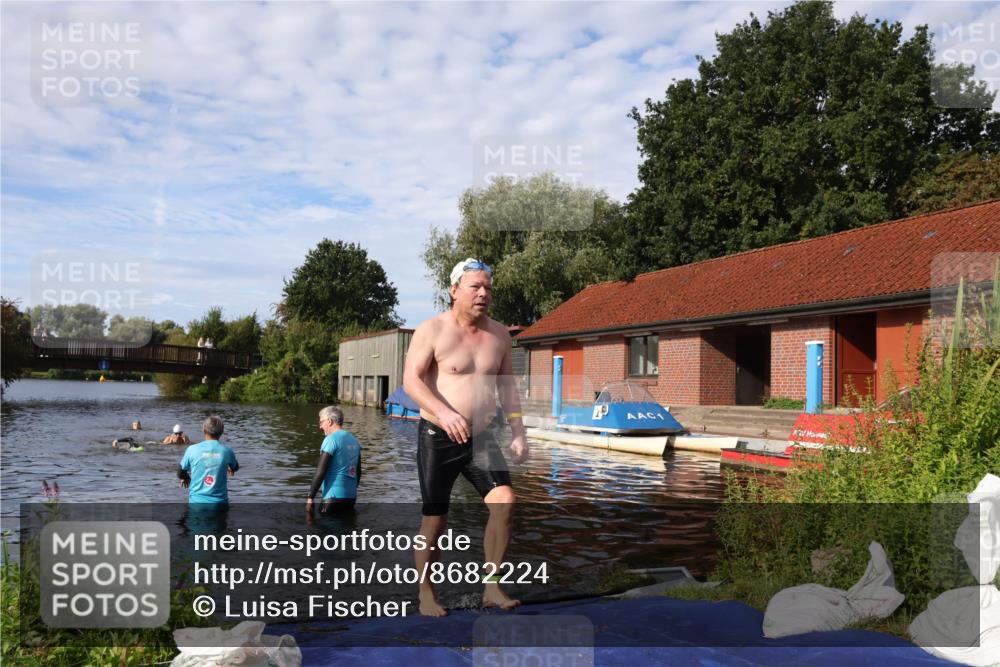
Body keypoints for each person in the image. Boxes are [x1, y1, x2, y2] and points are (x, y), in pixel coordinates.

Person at [403, 257, 528, 617]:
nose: (484, 293)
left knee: (505, 500)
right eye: (476, 287)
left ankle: (492, 587)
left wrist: (518, 431)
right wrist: (443, 411)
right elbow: (410, 381)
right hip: (438, 435)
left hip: (483, 435)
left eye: (488, 287)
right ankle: (426, 594)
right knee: (435, 519)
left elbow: (508, 389)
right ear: (454, 290)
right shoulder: (432, 330)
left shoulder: (500, 334)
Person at [306, 406, 362, 513]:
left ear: (330, 421)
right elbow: (358, 472)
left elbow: (320, 472)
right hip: (351, 498)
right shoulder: (354, 440)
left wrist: (310, 497)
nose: (320, 426)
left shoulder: (331, 439)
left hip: (332, 499)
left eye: (321, 422)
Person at [177, 415, 239, 505]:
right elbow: (235, 467)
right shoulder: (227, 451)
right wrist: (229, 467)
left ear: (203, 430)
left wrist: (185, 477)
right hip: (220, 504)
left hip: (196, 503)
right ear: (222, 431)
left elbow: (180, 472)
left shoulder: (192, 449)